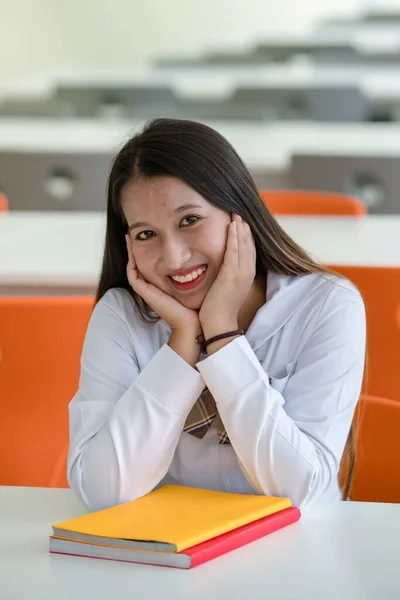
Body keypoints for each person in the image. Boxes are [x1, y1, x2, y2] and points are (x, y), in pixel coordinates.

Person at [68, 118, 366, 511]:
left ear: (237, 214)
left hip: (298, 552)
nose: (174, 257)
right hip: (171, 556)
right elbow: (103, 491)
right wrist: (182, 343)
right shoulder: (122, 316)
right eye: (145, 234)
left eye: (189, 220)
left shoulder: (327, 306)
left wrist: (222, 335)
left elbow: (300, 492)